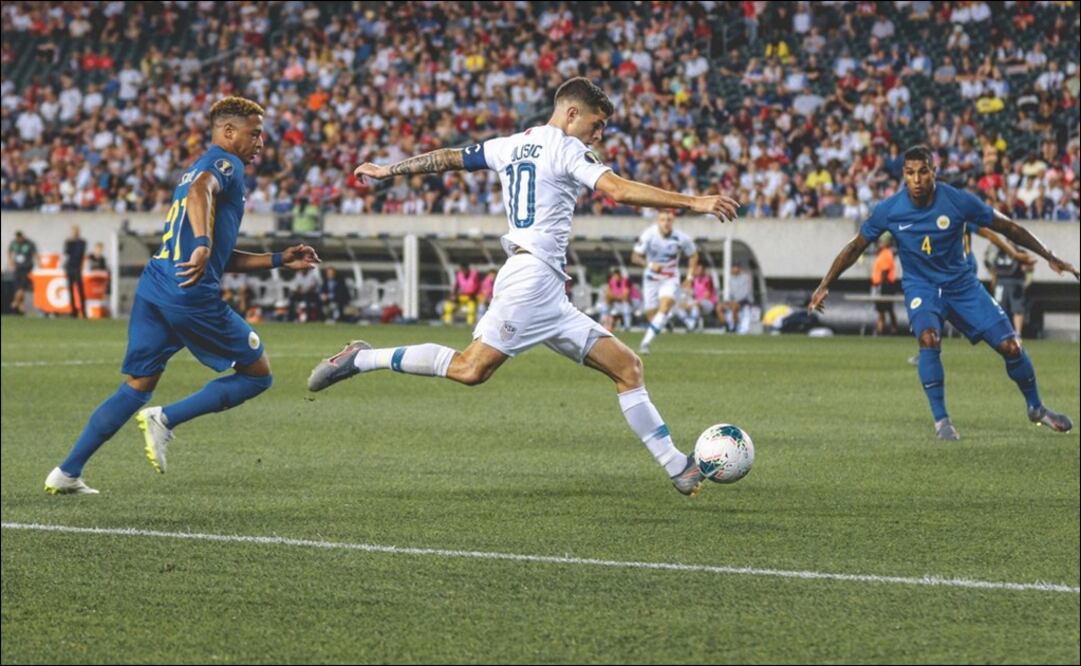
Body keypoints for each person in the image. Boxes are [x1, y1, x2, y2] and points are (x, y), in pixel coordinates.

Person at [309, 77, 738, 497]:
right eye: (597, 124)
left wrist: (389, 170)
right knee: (470, 369)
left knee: (628, 367)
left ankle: (677, 466)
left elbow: (449, 158)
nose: (599, 134)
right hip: (530, 282)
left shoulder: (510, 144)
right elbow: (618, 191)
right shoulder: (567, 147)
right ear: (572, 113)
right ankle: (362, 358)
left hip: (547, 288)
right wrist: (694, 201)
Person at [44, 96, 321, 495]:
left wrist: (278, 258)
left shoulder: (196, 167)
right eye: (254, 133)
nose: (261, 142)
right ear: (228, 132)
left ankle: (67, 472)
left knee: (137, 385)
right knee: (258, 375)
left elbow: (220, 255)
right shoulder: (225, 165)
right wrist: (204, 243)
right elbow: (201, 194)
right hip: (189, 293)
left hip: (157, 283)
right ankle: (167, 418)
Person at [810, 145, 1077, 441]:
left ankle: (1036, 408)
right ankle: (942, 422)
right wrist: (825, 284)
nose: (917, 179)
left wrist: (1048, 255)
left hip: (962, 286)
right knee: (928, 338)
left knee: (1012, 346)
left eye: (923, 171)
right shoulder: (889, 210)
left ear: (934, 172)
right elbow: (855, 247)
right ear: (903, 175)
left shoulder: (957, 200)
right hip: (921, 287)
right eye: (910, 173)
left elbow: (1006, 226)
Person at [631, 209, 698, 354]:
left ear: (673, 221)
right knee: (651, 315)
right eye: (662, 220)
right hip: (651, 279)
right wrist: (650, 265)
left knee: (665, 305)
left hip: (670, 278)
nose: (666, 223)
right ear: (658, 221)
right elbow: (635, 257)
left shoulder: (681, 238)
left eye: (669, 220)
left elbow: (693, 255)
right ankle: (666, 321)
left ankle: (645, 343)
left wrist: (689, 277)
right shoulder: (649, 235)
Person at [986, 239, 1035, 336]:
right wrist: (994, 283)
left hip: (1016, 282)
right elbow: (993, 269)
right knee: (999, 309)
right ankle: (1001, 332)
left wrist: (1025, 282)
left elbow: (1030, 266)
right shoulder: (998, 252)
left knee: (1017, 309)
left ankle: (1018, 333)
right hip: (1001, 282)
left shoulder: (1021, 252)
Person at [871, 235, 898, 335]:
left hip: (884, 285)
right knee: (883, 309)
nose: (879, 244)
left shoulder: (886, 254)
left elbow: (884, 271)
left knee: (885, 309)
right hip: (882, 285)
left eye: (881, 242)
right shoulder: (882, 253)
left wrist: (880, 286)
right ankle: (883, 328)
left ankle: (887, 329)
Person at [7, 230, 37, 315]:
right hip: (17, 268)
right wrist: (10, 262)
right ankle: (21, 305)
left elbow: (34, 254)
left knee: (22, 288)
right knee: (18, 288)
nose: (18, 240)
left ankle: (15, 302)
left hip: (26, 268)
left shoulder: (29, 243)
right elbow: (9, 251)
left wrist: (38, 265)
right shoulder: (14, 243)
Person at [722, 263, 755, 333]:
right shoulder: (731, 279)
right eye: (732, 268)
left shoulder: (745, 278)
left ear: (739, 269)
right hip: (735, 301)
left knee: (734, 307)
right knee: (719, 307)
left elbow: (745, 293)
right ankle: (727, 326)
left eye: (734, 268)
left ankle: (735, 326)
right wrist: (728, 301)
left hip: (745, 301)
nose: (732, 270)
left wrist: (735, 301)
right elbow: (731, 293)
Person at [63, 225, 88, 318]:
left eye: (76, 231)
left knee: (80, 290)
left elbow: (79, 253)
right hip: (69, 267)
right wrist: (70, 241)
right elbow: (66, 252)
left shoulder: (82, 242)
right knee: (70, 290)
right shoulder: (68, 242)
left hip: (77, 268)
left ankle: (83, 310)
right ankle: (73, 311)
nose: (74, 233)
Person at [600, 267, 632, 332]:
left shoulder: (626, 281)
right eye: (614, 276)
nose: (615, 278)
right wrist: (616, 297)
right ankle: (602, 322)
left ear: (620, 275)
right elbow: (609, 294)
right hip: (617, 301)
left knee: (625, 302)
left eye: (616, 276)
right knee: (606, 301)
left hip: (629, 302)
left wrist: (615, 297)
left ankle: (627, 326)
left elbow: (626, 295)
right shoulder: (611, 281)